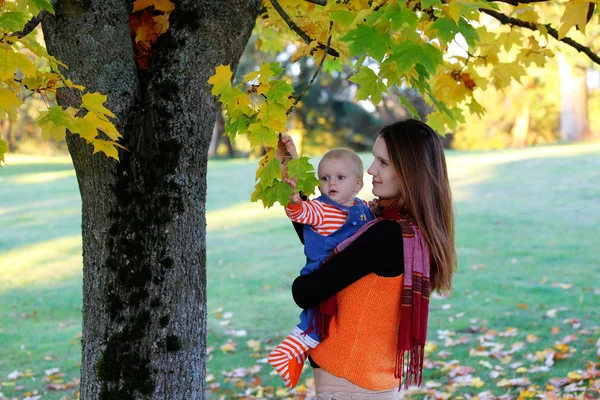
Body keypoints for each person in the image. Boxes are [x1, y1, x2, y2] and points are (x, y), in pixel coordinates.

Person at [279, 119, 457, 399]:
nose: (371, 170)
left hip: (348, 384)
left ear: (410, 171)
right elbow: (327, 239)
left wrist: (304, 281)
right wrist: (294, 178)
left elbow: (306, 292)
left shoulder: (385, 235)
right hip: (375, 381)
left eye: (383, 162)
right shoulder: (410, 229)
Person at [268, 148, 374, 388]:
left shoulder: (361, 206)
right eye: (325, 178)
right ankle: (285, 354)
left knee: (325, 325)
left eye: (340, 177)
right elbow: (303, 213)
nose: (331, 183)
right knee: (313, 323)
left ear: (358, 184)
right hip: (322, 274)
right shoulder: (323, 210)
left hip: (344, 276)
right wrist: (296, 201)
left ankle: (296, 356)